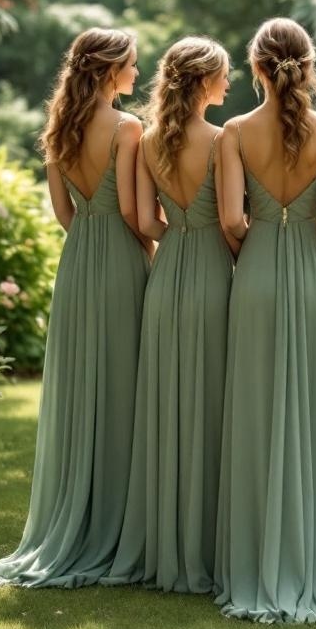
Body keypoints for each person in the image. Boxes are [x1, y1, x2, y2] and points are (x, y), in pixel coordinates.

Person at [214, 17, 316, 624]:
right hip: (311, 272)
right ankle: (310, 555)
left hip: (254, 271)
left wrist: (252, 255)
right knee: (311, 409)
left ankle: (253, 560)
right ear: (308, 65)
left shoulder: (232, 131)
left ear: (256, 67)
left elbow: (230, 219)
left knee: (254, 409)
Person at [0, 27, 150, 587]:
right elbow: (134, 212)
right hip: (124, 261)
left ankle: (76, 516)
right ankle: (120, 520)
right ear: (110, 71)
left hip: (78, 260)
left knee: (84, 384)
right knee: (125, 385)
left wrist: (90, 244)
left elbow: (63, 212)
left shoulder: (59, 129)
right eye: (130, 65)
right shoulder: (128, 128)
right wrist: (148, 255)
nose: (136, 73)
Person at [101, 36, 234, 593]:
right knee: (211, 409)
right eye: (224, 76)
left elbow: (138, 216)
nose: (229, 85)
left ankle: (165, 544)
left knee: (168, 408)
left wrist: (175, 233)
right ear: (205, 82)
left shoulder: (148, 138)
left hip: (167, 275)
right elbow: (232, 221)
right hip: (212, 274)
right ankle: (207, 543)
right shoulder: (225, 141)